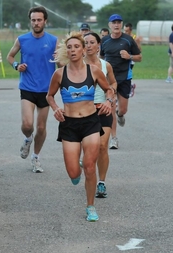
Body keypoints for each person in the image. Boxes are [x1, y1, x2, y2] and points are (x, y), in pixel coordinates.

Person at [46, 31, 115, 222]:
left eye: (77, 46)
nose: (73, 50)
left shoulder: (94, 71)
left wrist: (109, 101)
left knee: (90, 166)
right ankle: (75, 169)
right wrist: (55, 108)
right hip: (68, 125)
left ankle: (90, 206)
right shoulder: (59, 74)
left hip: (90, 122)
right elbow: (49, 96)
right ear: (66, 51)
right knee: (73, 173)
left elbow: (109, 89)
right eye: (69, 47)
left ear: (84, 50)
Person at [6, 6, 59, 173]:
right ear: (30, 21)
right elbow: (10, 56)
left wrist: (62, 61)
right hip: (28, 87)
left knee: (41, 128)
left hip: (46, 89)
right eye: (33, 20)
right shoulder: (22, 39)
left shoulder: (53, 41)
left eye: (39, 20)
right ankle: (28, 139)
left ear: (45, 21)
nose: (36, 23)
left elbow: (61, 64)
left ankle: (35, 157)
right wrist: (16, 65)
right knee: (28, 124)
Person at [100, 14, 142, 149]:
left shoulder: (128, 40)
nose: (116, 25)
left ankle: (120, 115)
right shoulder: (105, 40)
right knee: (110, 108)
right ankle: (114, 138)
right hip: (109, 79)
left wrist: (129, 56)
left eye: (119, 22)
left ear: (122, 25)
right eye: (114, 22)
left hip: (124, 78)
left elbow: (139, 57)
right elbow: (100, 57)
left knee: (122, 109)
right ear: (109, 25)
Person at [84, 32, 117, 198]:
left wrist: (109, 99)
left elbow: (113, 83)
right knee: (90, 147)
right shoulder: (77, 65)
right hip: (83, 111)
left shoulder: (106, 65)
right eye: (86, 43)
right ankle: (86, 168)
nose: (89, 45)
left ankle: (101, 183)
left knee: (103, 146)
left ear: (98, 46)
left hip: (103, 108)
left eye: (92, 42)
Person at [123, 22, 142, 98]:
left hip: (131, 58)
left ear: (130, 30)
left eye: (126, 31)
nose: (125, 32)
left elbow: (139, 49)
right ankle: (130, 85)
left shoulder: (135, 38)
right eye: (124, 30)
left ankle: (130, 86)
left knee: (128, 72)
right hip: (124, 58)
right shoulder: (123, 37)